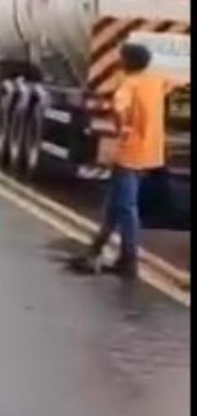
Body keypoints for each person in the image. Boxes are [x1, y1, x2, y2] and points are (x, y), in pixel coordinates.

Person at [76, 43, 180, 279]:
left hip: (130, 152)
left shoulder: (128, 84)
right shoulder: (156, 81)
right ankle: (95, 250)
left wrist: (120, 126)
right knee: (115, 204)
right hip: (151, 151)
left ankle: (128, 260)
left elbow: (119, 107)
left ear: (127, 62)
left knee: (126, 207)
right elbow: (175, 83)